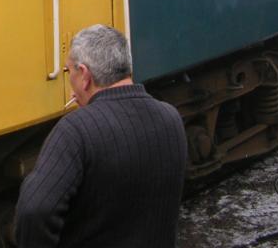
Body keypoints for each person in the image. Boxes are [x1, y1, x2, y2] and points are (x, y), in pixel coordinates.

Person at [15, 24, 187, 248]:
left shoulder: (74, 131)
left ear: (85, 75)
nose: (71, 91)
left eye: (69, 73)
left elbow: (33, 211)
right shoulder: (171, 118)